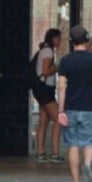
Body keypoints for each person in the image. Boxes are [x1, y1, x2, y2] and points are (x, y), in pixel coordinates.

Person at [55, 25, 92, 182]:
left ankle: (76, 181)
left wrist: (61, 109)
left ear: (71, 41)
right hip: (90, 106)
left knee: (73, 144)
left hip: (71, 107)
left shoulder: (65, 61)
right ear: (87, 39)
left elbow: (61, 86)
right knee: (89, 143)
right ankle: (88, 165)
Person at [32, 28, 62, 162]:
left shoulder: (43, 50)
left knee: (43, 121)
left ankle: (40, 152)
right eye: (59, 38)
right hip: (46, 89)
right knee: (58, 119)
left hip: (40, 89)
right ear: (53, 38)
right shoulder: (48, 51)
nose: (60, 41)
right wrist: (57, 67)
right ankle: (55, 153)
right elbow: (45, 71)